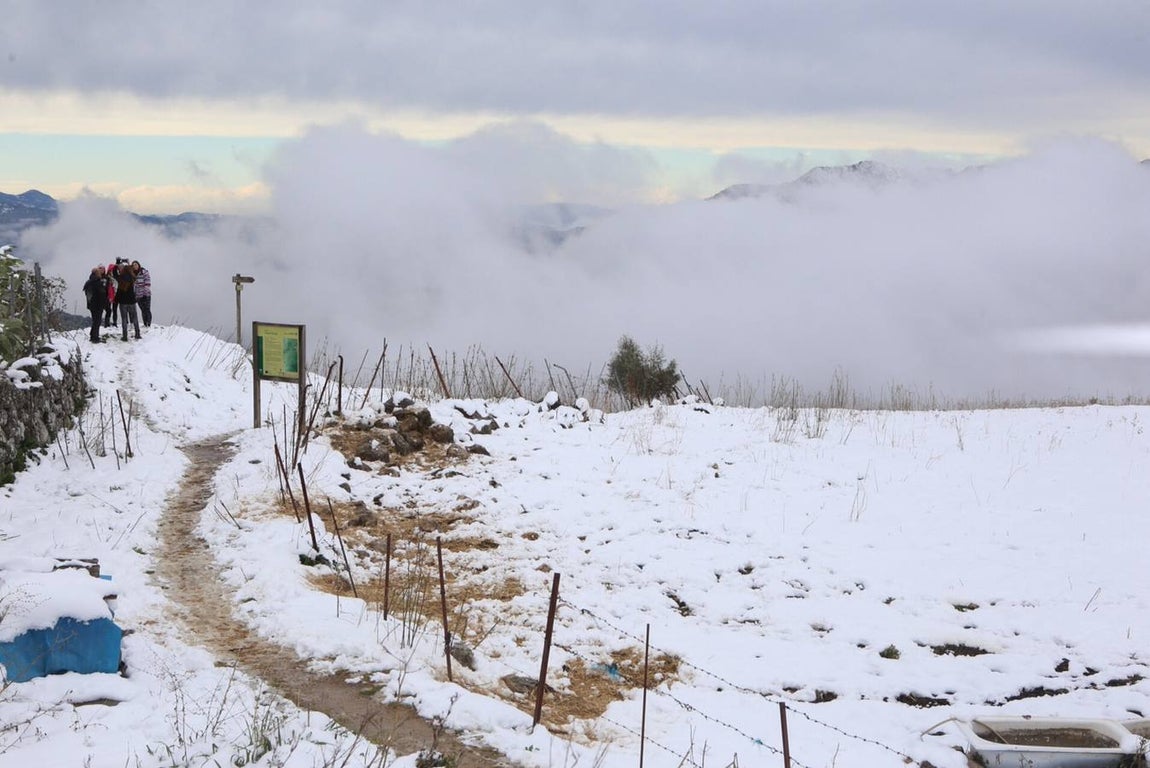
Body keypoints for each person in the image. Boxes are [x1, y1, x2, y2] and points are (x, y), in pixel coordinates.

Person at [114, 260, 142, 341]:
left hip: (123, 302)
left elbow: (119, 291)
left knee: (124, 319)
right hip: (132, 301)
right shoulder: (133, 277)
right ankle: (137, 334)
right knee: (135, 318)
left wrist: (117, 264)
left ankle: (125, 336)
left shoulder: (121, 278)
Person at [82, 265, 110, 343]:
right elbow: (102, 295)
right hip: (98, 305)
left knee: (95, 320)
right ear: (97, 274)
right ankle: (95, 337)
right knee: (97, 321)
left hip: (91, 305)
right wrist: (104, 304)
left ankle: (92, 335)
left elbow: (87, 294)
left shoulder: (88, 282)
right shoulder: (98, 282)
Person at [131, 260, 152, 327]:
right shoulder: (132, 274)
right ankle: (145, 323)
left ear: (138, 265)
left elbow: (147, 283)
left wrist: (145, 293)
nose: (135, 266)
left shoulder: (144, 272)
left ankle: (149, 323)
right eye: (133, 265)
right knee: (142, 310)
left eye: (136, 265)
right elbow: (133, 285)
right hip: (138, 296)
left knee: (147, 309)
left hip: (146, 294)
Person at [103, 262, 118, 327]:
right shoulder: (106, 278)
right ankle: (107, 323)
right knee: (108, 310)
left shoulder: (116, 278)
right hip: (108, 296)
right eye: (111, 270)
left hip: (115, 296)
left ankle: (115, 322)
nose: (112, 271)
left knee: (115, 310)